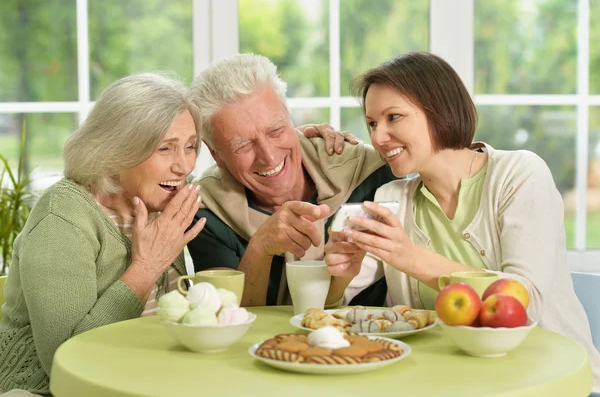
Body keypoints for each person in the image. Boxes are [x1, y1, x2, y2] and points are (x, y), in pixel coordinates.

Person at [323, 51, 600, 391]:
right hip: (443, 385)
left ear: (439, 110)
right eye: (372, 124)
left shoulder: (520, 174)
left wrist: (412, 259)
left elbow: (524, 302)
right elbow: (328, 307)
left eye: (393, 117)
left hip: (545, 382)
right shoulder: (390, 198)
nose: (378, 137)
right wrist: (341, 275)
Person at [0, 73, 206, 395]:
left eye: (191, 146)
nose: (183, 166)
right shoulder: (63, 216)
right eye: (165, 148)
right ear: (117, 150)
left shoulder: (158, 207)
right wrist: (147, 267)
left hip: (139, 381)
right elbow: (66, 360)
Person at [187, 53, 396, 307]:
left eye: (276, 130)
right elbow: (224, 315)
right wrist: (260, 248)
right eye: (243, 144)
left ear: (290, 117)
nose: (268, 156)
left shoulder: (373, 173)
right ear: (216, 155)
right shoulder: (205, 210)